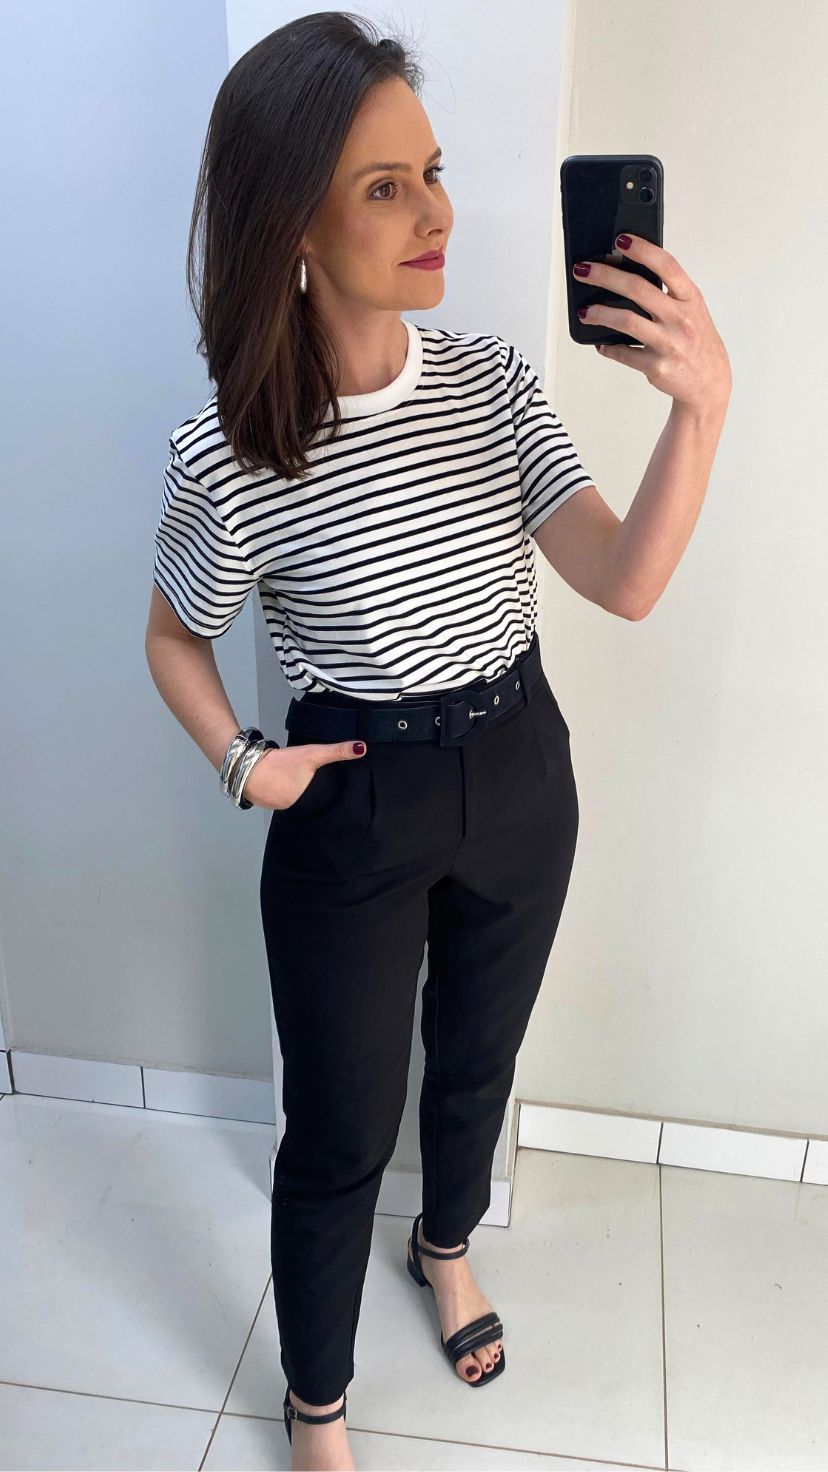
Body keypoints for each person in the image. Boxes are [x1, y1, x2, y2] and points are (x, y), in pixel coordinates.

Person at [145, 15, 603, 1470]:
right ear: (294, 221)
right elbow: (174, 638)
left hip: (519, 765)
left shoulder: (493, 381)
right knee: (340, 1127)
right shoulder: (233, 448)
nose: (436, 213)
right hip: (353, 798)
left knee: (476, 1060)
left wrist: (700, 408)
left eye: (434, 173)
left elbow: (626, 577)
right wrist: (246, 762)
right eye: (385, 187)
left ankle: (446, 1247)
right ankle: (317, 1399)